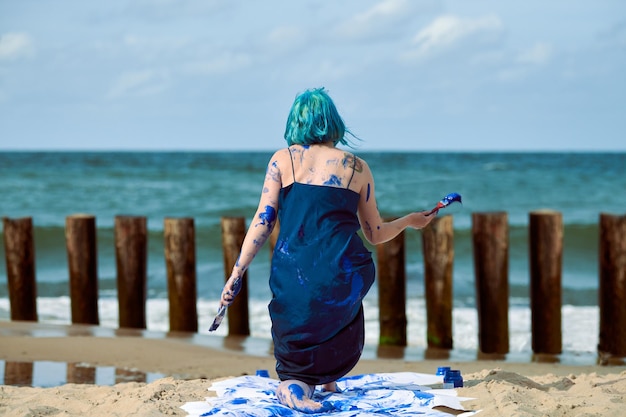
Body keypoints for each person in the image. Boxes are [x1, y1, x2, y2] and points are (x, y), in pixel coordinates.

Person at [217, 87, 436, 413]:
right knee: (335, 309)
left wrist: (236, 274)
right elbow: (375, 234)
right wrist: (409, 220)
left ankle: (295, 388)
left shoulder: (283, 160)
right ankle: (326, 378)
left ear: (296, 122)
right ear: (333, 122)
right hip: (342, 275)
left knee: (294, 355)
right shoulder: (357, 168)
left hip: (294, 275)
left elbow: (263, 222)